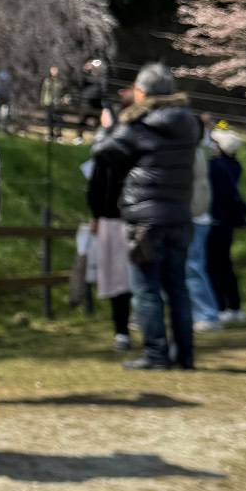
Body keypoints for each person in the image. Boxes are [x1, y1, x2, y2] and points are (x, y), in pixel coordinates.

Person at [91, 63, 201, 371]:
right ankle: (185, 355)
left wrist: (106, 127)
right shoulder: (189, 123)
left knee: (146, 288)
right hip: (180, 215)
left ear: (144, 92)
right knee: (177, 287)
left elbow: (103, 152)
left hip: (145, 218)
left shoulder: (140, 125)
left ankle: (155, 354)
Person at [85, 126, 134, 352]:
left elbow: (94, 190)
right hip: (139, 218)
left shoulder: (104, 156)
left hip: (111, 221)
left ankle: (122, 331)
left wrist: (96, 214)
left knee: (117, 279)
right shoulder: (141, 152)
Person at [206, 125, 246, 321]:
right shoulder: (234, 165)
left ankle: (221, 306)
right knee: (225, 263)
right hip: (227, 221)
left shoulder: (218, 167)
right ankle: (234, 306)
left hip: (216, 220)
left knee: (214, 265)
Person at [186, 120, 222, 334]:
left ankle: (206, 314)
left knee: (191, 268)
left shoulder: (191, 154)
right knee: (193, 267)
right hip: (199, 216)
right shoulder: (197, 152)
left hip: (194, 217)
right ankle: (201, 313)